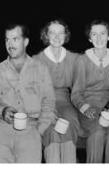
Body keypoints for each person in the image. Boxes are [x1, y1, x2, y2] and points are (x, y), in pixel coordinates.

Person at [0, 23, 56, 163]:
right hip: (1, 132)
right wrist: (1, 111)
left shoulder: (41, 69)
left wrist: (40, 129)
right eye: (7, 40)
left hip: (31, 130)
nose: (10, 44)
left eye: (15, 39)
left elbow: (49, 101)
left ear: (26, 41)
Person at [71, 20, 109, 163]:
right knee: (98, 131)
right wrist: (85, 107)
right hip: (88, 108)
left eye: (102, 33)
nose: (99, 38)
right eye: (94, 34)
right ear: (89, 38)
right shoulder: (82, 59)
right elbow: (76, 92)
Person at [33, 20, 82, 163]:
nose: (57, 36)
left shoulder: (75, 59)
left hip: (65, 100)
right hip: (43, 102)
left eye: (60, 33)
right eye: (52, 33)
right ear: (46, 36)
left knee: (70, 121)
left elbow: (80, 88)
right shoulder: (36, 60)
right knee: (49, 126)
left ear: (65, 36)